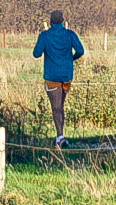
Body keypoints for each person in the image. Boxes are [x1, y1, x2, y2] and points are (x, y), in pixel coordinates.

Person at [32, 10, 85, 147]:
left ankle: (60, 137)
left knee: (56, 107)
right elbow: (80, 50)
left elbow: (36, 54)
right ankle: (60, 136)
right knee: (61, 105)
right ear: (62, 21)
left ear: (50, 21)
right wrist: (70, 59)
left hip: (52, 76)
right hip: (67, 76)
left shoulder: (44, 35)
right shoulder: (70, 34)